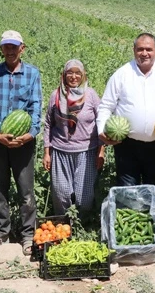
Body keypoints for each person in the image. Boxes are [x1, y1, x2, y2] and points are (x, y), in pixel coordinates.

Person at [96, 32, 155, 191]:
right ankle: (129, 215)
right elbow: (106, 106)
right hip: (126, 146)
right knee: (128, 192)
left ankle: (152, 217)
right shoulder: (121, 74)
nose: (144, 53)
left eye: (149, 49)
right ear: (133, 50)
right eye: (140, 49)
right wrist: (102, 131)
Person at [0, 30, 42, 256]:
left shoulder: (32, 73)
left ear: (22, 48)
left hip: (24, 141)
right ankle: (1, 232)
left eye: (13, 46)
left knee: (26, 190)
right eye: (6, 46)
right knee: (0, 189)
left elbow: (36, 105)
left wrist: (31, 133)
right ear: (1, 49)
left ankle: (28, 235)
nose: (9, 50)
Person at [42, 59, 105, 216]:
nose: (74, 76)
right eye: (70, 72)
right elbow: (48, 124)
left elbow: (101, 122)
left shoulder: (91, 95)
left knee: (85, 196)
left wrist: (101, 150)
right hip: (60, 151)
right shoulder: (56, 95)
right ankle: (64, 226)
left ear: (83, 75)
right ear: (64, 75)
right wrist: (46, 152)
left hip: (87, 151)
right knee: (61, 194)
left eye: (78, 73)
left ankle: (82, 225)